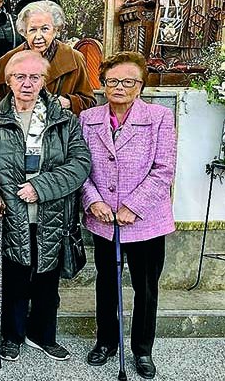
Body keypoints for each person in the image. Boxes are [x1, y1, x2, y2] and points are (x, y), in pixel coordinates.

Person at [0, 50, 91, 363]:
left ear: (44, 81)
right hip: (11, 212)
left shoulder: (63, 120)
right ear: (8, 80)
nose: (27, 83)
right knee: (15, 276)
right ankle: (12, 336)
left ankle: (43, 334)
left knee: (46, 277)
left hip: (52, 212)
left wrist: (40, 187)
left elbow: (81, 163)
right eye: (20, 77)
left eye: (34, 77)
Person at [80, 52, 176, 380]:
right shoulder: (89, 118)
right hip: (104, 219)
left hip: (146, 220)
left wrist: (133, 206)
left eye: (128, 81)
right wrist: (93, 201)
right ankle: (106, 341)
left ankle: (142, 349)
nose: (119, 86)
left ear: (140, 85)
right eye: (112, 80)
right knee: (106, 283)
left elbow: (164, 169)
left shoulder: (160, 117)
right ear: (102, 82)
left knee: (145, 287)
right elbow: (80, 167)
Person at [0, 1, 96, 114]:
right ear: (24, 32)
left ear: (55, 30)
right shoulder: (6, 61)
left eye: (45, 29)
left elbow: (89, 102)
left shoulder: (74, 59)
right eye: (32, 30)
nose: (38, 36)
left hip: (60, 128)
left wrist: (69, 102)